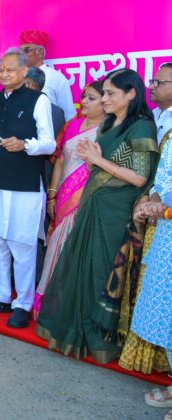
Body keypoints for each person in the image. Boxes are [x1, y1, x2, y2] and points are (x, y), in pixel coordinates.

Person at [36, 68, 158, 363]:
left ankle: (98, 337)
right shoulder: (108, 124)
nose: (105, 98)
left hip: (115, 213)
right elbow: (100, 169)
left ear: (131, 94)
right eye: (103, 93)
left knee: (102, 271)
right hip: (93, 204)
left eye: (110, 93)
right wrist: (92, 161)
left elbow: (140, 178)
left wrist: (97, 159)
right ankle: (77, 329)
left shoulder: (140, 126)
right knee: (84, 267)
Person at [0, 48, 56, 328]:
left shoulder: (38, 100)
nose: (4, 74)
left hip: (24, 187)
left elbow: (49, 143)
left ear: (24, 72)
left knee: (22, 246)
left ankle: (22, 303)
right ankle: (0, 294)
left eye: (10, 70)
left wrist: (25, 145)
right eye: (1, 69)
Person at [32, 81, 106, 319]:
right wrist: (52, 195)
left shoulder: (110, 130)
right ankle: (48, 300)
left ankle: (69, 306)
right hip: (63, 195)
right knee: (56, 244)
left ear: (106, 102)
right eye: (84, 96)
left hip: (87, 199)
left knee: (75, 248)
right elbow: (61, 161)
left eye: (91, 98)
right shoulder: (72, 125)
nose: (84, 101)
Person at [118, 62, 172, 374]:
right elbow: (162, 177)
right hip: (164, 232)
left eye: (159, 81)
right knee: (162, 308)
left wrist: (161, 208)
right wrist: (154, 200)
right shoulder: (158, 121)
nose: (153, 86)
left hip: (164, 219)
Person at [19, 29, 77, 121]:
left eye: (27, 50)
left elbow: (69, 114)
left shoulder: (56, 78)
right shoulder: (17, 78)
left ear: (40, 52)